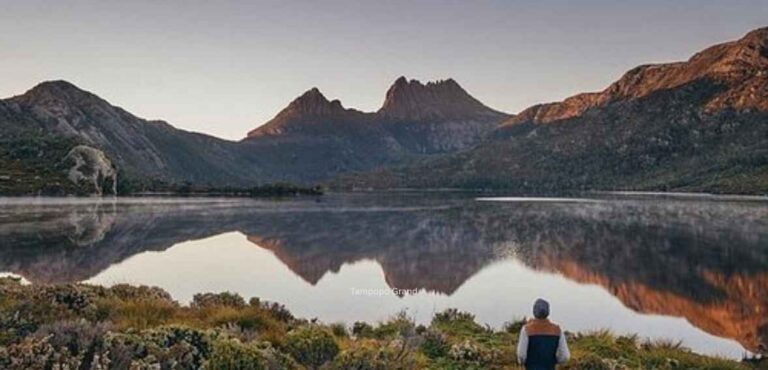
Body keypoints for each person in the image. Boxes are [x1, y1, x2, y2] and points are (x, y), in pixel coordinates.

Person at [516, 298, 570, 369]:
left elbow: (521, 355)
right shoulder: (557, 330)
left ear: (534, 311)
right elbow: (565, 356)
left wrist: (522, 363)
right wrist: (554, 361)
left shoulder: (526, 329)